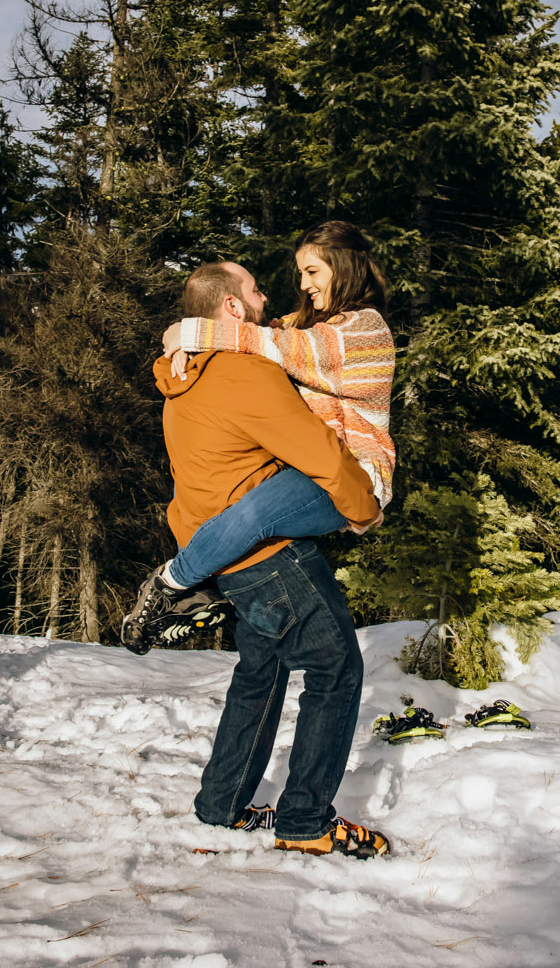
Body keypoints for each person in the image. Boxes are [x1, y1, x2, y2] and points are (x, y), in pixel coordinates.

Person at [146, 259, 393, 858]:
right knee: (336, 672)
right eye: (254, 291)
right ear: (232, 307)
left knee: (261, 673)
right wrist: (364, 508)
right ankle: (306, 821)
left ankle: (220, 804)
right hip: (271, 557)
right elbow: (322, 457)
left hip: (218, 549)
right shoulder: (243, 374)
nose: (266, 299)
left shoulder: (184, 377)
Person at [121, 221, 396, 651]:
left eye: (312, 272)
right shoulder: (305, 325)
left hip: (354, 475)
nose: (302, 285)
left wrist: (187, 332)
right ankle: (203, 590)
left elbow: (273, 345)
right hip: (321, 471)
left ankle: (173, 582)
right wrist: (179, 336)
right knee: (247, 519)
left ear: (343, 268)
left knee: (254, 514)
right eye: (301, 274)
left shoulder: (364, 331)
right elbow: (254, 334)